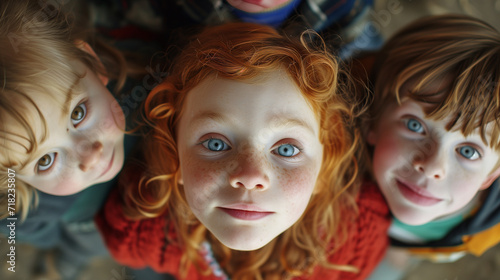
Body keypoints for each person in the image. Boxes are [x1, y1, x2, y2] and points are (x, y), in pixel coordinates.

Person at [96, 22, 390, 280]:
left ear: (324, 169)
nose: (250, 177)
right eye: (216, 144)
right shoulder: (145, 227)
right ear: (174, 156)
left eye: (286, 149)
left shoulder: (357, 240)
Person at [0, 0, 139, 278]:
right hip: (84, 228)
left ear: (91, 62)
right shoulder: (23, 217)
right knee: (83, 248)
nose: (89, 156)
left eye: (78, 112)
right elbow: (46, 236)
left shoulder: (144, 73)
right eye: (45, 160)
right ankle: (67, 265)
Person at [363, 14, 500, 277]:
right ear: (372, 122)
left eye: (468, 151)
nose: (431, 166)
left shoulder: (482, 231)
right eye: (415, 126)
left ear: (490, 176)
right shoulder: (334, 160)